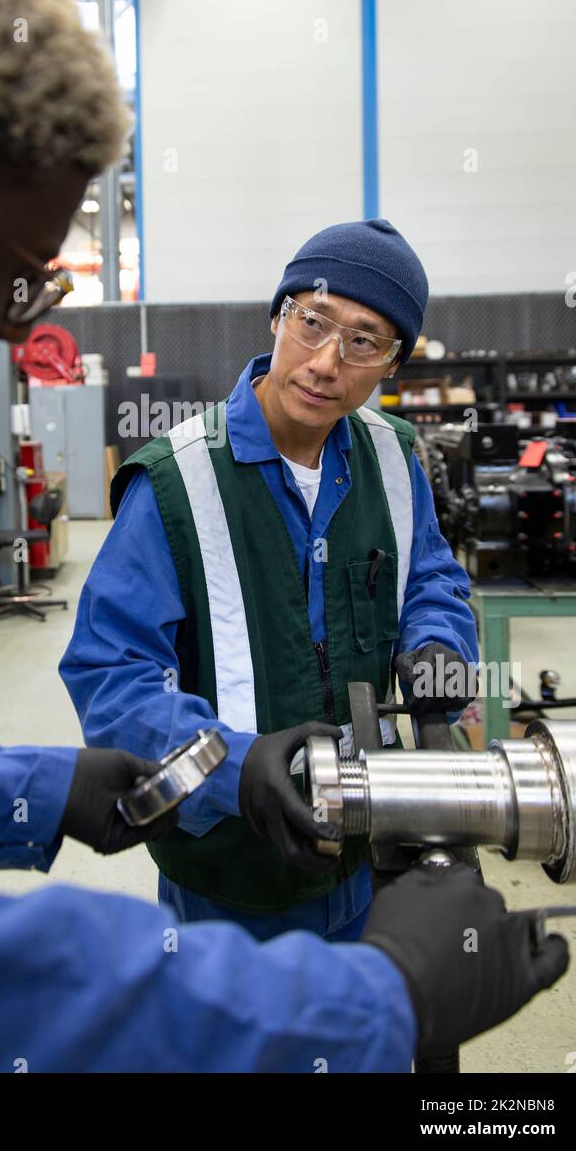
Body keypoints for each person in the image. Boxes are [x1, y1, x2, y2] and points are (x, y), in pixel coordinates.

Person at [0, 0, 566, 1072]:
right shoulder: (172, 481)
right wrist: (378, 1002)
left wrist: (44, 786)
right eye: (24, 280)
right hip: (243, 878)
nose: (17, 336)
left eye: (366, 341)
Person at [60, 222, 481, 938]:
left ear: (391, 363)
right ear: (278, 316)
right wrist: (235, 768)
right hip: (227, 874)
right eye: (312, 322)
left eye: (362, 341)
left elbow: (429, 575)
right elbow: (112, 675)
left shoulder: (393, 459)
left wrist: (439, 640)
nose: (324, 363)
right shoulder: (176, 481)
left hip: (360, 851)